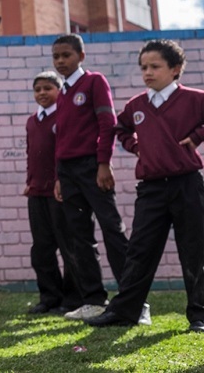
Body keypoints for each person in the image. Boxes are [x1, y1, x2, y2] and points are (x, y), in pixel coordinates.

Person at [87, 39, 204, 332]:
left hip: (188, 185)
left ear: (175, 69)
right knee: (140, 250)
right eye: (143, 67)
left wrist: (197, 136)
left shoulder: (195, 99)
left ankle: (199, 316)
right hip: (151, 188)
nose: (147, 73)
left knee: (195, 250)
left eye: (155, 66)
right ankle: (125, 312)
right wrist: (134, 145)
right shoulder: (136, 105)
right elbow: (120, 127)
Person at [51, 34, 133, 322]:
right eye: (56, 56)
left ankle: (133, 300)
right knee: (79, 237)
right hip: (68, 172)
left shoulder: (94, 82)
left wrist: (103, 163)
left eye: (66, 55)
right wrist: (59, 176)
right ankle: (94, 300)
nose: (61, 61)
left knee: (112, 229)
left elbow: (107, 124)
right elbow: (61, 138)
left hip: (92, 167)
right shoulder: (63, 92)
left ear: (81, 56)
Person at [23, 71, 79, 315]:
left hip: (60, 192)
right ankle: (49, 297)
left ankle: (73, 299)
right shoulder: (32, 121)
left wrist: (61, 181)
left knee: (69, 246)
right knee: (42, 249)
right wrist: (30, 181)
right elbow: (31, 154)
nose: (42, 93)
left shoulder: (64, 117)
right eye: (38, 90)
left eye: (48, 88)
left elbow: (66, 153)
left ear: (59, 91)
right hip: (37, 192)